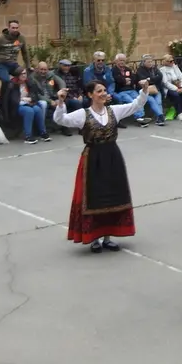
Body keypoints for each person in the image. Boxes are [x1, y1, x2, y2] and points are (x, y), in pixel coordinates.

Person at [53, 78, 150, 252]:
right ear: (90, 95)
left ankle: (108, 237)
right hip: (93, 158)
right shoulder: (83, 114)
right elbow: (61, 119)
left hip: (113, 157)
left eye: (104, 90)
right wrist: (60, 101)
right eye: (99, 91)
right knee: (94, 196)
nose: (103, 93)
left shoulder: (114, 111)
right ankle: (94, 238)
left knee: (112, 195)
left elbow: (136, 105)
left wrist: (144, 89)